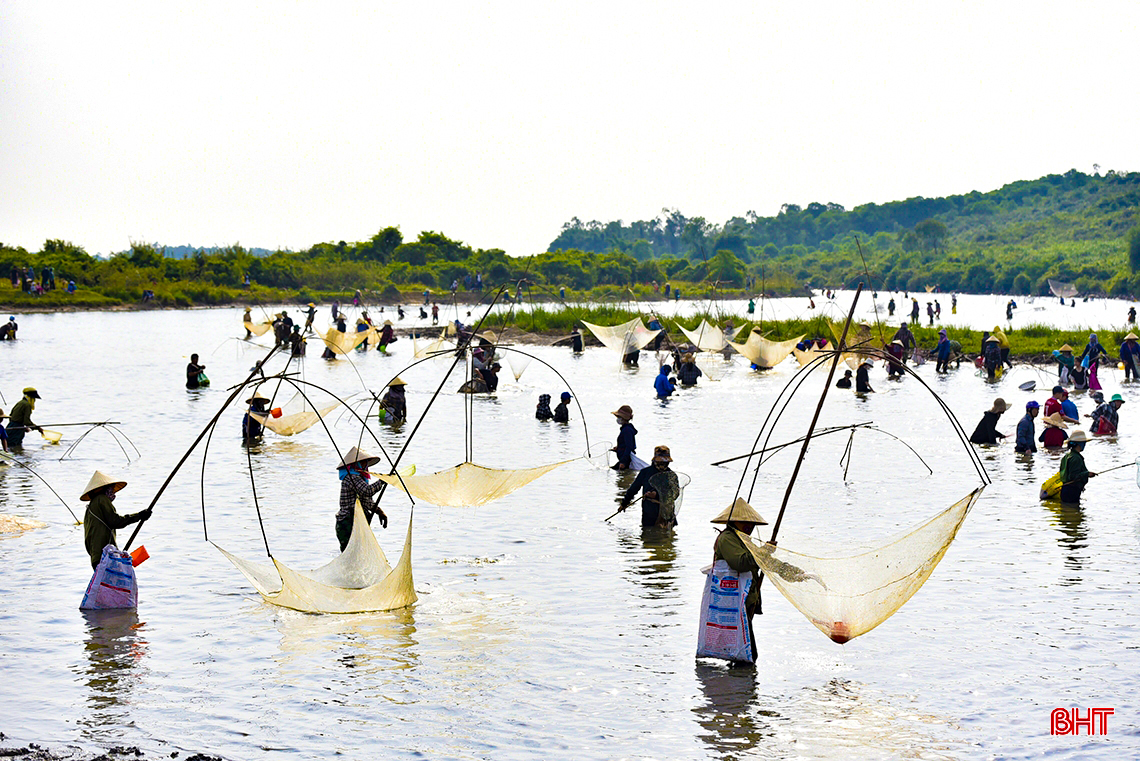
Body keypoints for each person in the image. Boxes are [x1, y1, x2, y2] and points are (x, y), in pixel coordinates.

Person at [711, 498, 769, 662]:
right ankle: (742, 686)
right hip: (734, 603)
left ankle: (738, 684)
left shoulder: (744, 539)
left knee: (742, 653)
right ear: (734, 521)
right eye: (745, 522)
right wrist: (764, 552)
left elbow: (762, 562)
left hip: (745, 602)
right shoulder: (728, 538)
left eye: (751, 523)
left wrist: (796, 574)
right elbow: (741, 563)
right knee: (747, 655)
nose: (749, 526)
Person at [81, 471, 151, 570]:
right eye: (111, 488)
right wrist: (139, 516)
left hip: (97, 556)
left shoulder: (91, 507)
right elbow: (116, 521)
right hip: (104, 556)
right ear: (104, 489)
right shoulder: (102, 499)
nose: (113, 492)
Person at [335, 447, 388, 551]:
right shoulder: (352, 477)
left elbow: (366, 500)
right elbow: (367, 491)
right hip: (347, 523)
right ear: (356, 464)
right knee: (350, 554)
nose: (365, 465)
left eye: (366, 462)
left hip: (356, 521)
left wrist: (379, 511)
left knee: (359, 552)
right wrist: (381, 481)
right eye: (363, 462)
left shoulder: (359, 478)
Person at [619, 446, 678, 529]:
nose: (663, 464)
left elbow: (675, 494)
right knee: (648, 534)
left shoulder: (671, 476)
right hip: (649, 512)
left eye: (665, 462)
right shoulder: (645, 472)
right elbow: (633, 489)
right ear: (654, 460)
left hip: (667, 513)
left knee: (666, 533)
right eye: (660, 462)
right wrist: (624, 503)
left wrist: (657, 495)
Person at [1058, 430, 1095, 504]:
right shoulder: (1076, 458)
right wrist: (1087, 474)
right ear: (1079, 444)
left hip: (1066, 489)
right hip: (1072, 490)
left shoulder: (1068, 456)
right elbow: (1073, 476)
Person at [611, 405, 637, 470]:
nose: (618, 419)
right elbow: (625, 444)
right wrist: (618, 448)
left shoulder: (627, 430)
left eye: (619, 417)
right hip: (625, 458)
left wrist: (623, 462)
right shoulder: (625, 429)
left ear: (623, 418)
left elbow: (629, 446)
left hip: (626, 459)